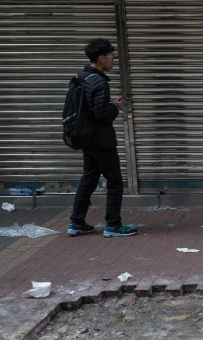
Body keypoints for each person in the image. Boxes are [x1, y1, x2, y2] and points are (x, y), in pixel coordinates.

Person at [67, 38, 137, 238]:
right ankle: (113, 225)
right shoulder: (98, 81)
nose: (113, 60)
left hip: (85, 138)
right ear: (101, 58)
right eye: (112, 56)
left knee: (88, 180)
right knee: (114, 182)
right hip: (101, 141)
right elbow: (101, 115)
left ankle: (76, 222)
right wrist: (116, 106)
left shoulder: (81, 77)